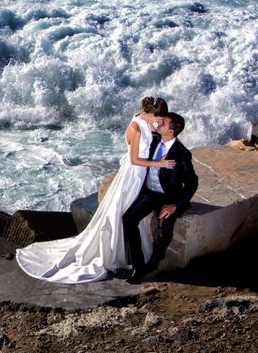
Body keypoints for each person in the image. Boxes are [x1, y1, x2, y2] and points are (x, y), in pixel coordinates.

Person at [15, 97, 175, 284]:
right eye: (158, 118)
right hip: (133, 176)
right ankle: (119, 256)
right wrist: (160, 163)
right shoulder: (137, 128)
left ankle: (129, 255)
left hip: (140, 176)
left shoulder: (143, 120)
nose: (159, 123)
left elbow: (147, 135)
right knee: (123, 213)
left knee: (129, 214)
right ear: (151, 114)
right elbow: (134, 160)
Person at [123, 112, 198, 283]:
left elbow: (192, 183)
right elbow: (134, 132)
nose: (159, 122)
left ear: (171, 131)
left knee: (164, 229)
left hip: (168, 197)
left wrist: (176, 206)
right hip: (149, 192)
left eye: (164, 122)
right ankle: (137, 264)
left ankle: (155, 261)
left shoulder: (181, 154)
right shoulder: (154, 139)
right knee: (128, 219)